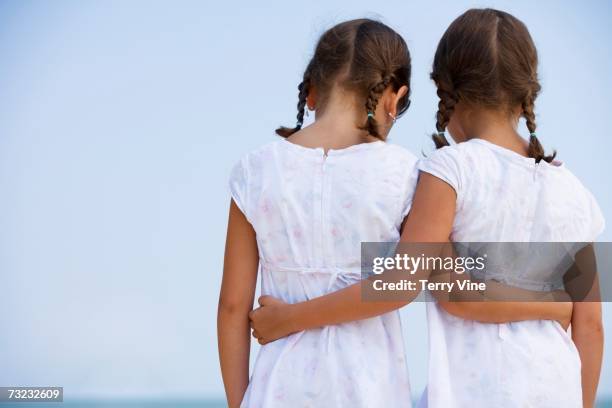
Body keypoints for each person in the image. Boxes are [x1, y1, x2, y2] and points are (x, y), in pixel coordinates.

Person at [250, 9, 604, 408]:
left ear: (445, 93)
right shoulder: (574, 191)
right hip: (557, 388)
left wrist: (290, 318)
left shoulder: (449, 171)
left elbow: (435, 289)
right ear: (526, 96)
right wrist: (552, 307)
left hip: (478, 393)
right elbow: (589, 327)